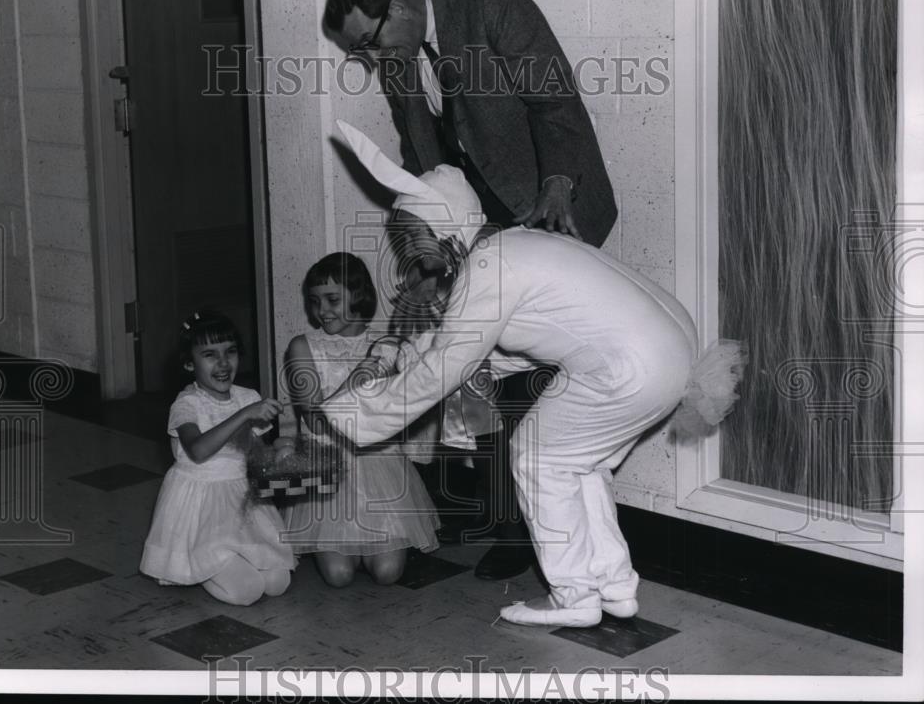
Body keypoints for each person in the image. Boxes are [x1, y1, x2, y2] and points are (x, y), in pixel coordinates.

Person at [319, 122, 746, 627]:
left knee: (536, 456)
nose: (412, 255)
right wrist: (397, 356)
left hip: (631, 366)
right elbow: (494, 351)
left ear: (442, 226)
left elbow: (444, 368)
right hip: (669, 353)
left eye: (413, 239)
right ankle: (615, 585)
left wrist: (347, 411)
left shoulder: (488, 269)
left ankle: (573, 597)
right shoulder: (510, 247)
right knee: (578, 464)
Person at [324, 0, 619, 580]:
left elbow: (555, 102)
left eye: (367, 44)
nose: (370, 59)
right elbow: (416, 152)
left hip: (544, 210)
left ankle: (536, 533)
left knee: (531, 382)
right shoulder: (398, 55)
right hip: (472, 230)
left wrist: (559, 185)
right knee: (472, 369)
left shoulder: (491, 6)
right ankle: (495, 516)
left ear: (401, 8)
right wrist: (431, 248)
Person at [279, 252, 439, 588]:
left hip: (377, 462)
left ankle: (371, 542)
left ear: (358, 295)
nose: (322, 311)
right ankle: (345, 543)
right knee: (339, 577)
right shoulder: (302, 347)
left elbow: (402, 414)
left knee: (387, 574)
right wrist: (352, 383)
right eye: (314, 301)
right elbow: (315, 421)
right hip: (327, 460)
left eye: (333, 300)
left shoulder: (385, 345)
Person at [140, 310, 296, 606]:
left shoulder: (247, 397)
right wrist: (243, 415)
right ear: (189, 363)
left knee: (278, 582)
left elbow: (255, 452)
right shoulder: (186, 404)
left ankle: (233, 557)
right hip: (201, 504)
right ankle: (201, 564)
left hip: (240, 497)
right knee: (247, 591)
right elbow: (198, 450)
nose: (223, 363)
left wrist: (280, 455)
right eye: (210, 355)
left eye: (231, 352)